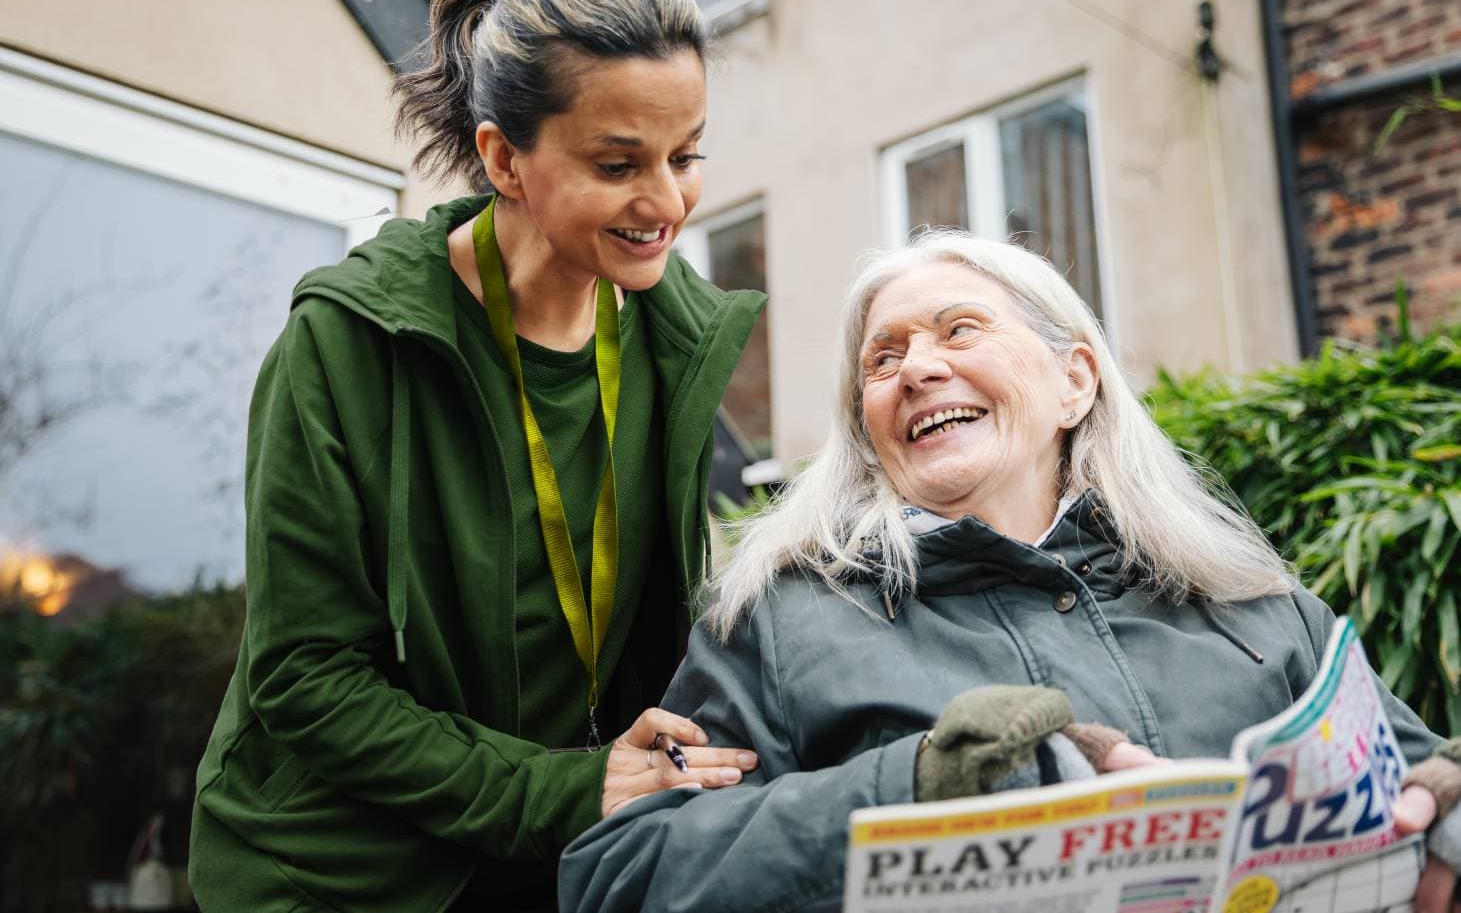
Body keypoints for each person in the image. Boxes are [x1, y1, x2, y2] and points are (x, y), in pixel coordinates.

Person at [559, 231, 1461, 913]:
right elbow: (621, 873)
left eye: (959, 329)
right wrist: (916, 786)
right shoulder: (782, 622)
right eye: (882, 359)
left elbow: (1419, 782)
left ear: (1076, 382)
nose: (916, 369)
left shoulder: (1256, 606)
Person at [187, 0, 765, 912]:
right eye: (619, 163)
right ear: (503, 157)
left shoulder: (676, 340)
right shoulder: (348, 344)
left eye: (687, 154)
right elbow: (305, 679)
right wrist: (565, 791)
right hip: (340, 874)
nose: (667, 202)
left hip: (556, 853)